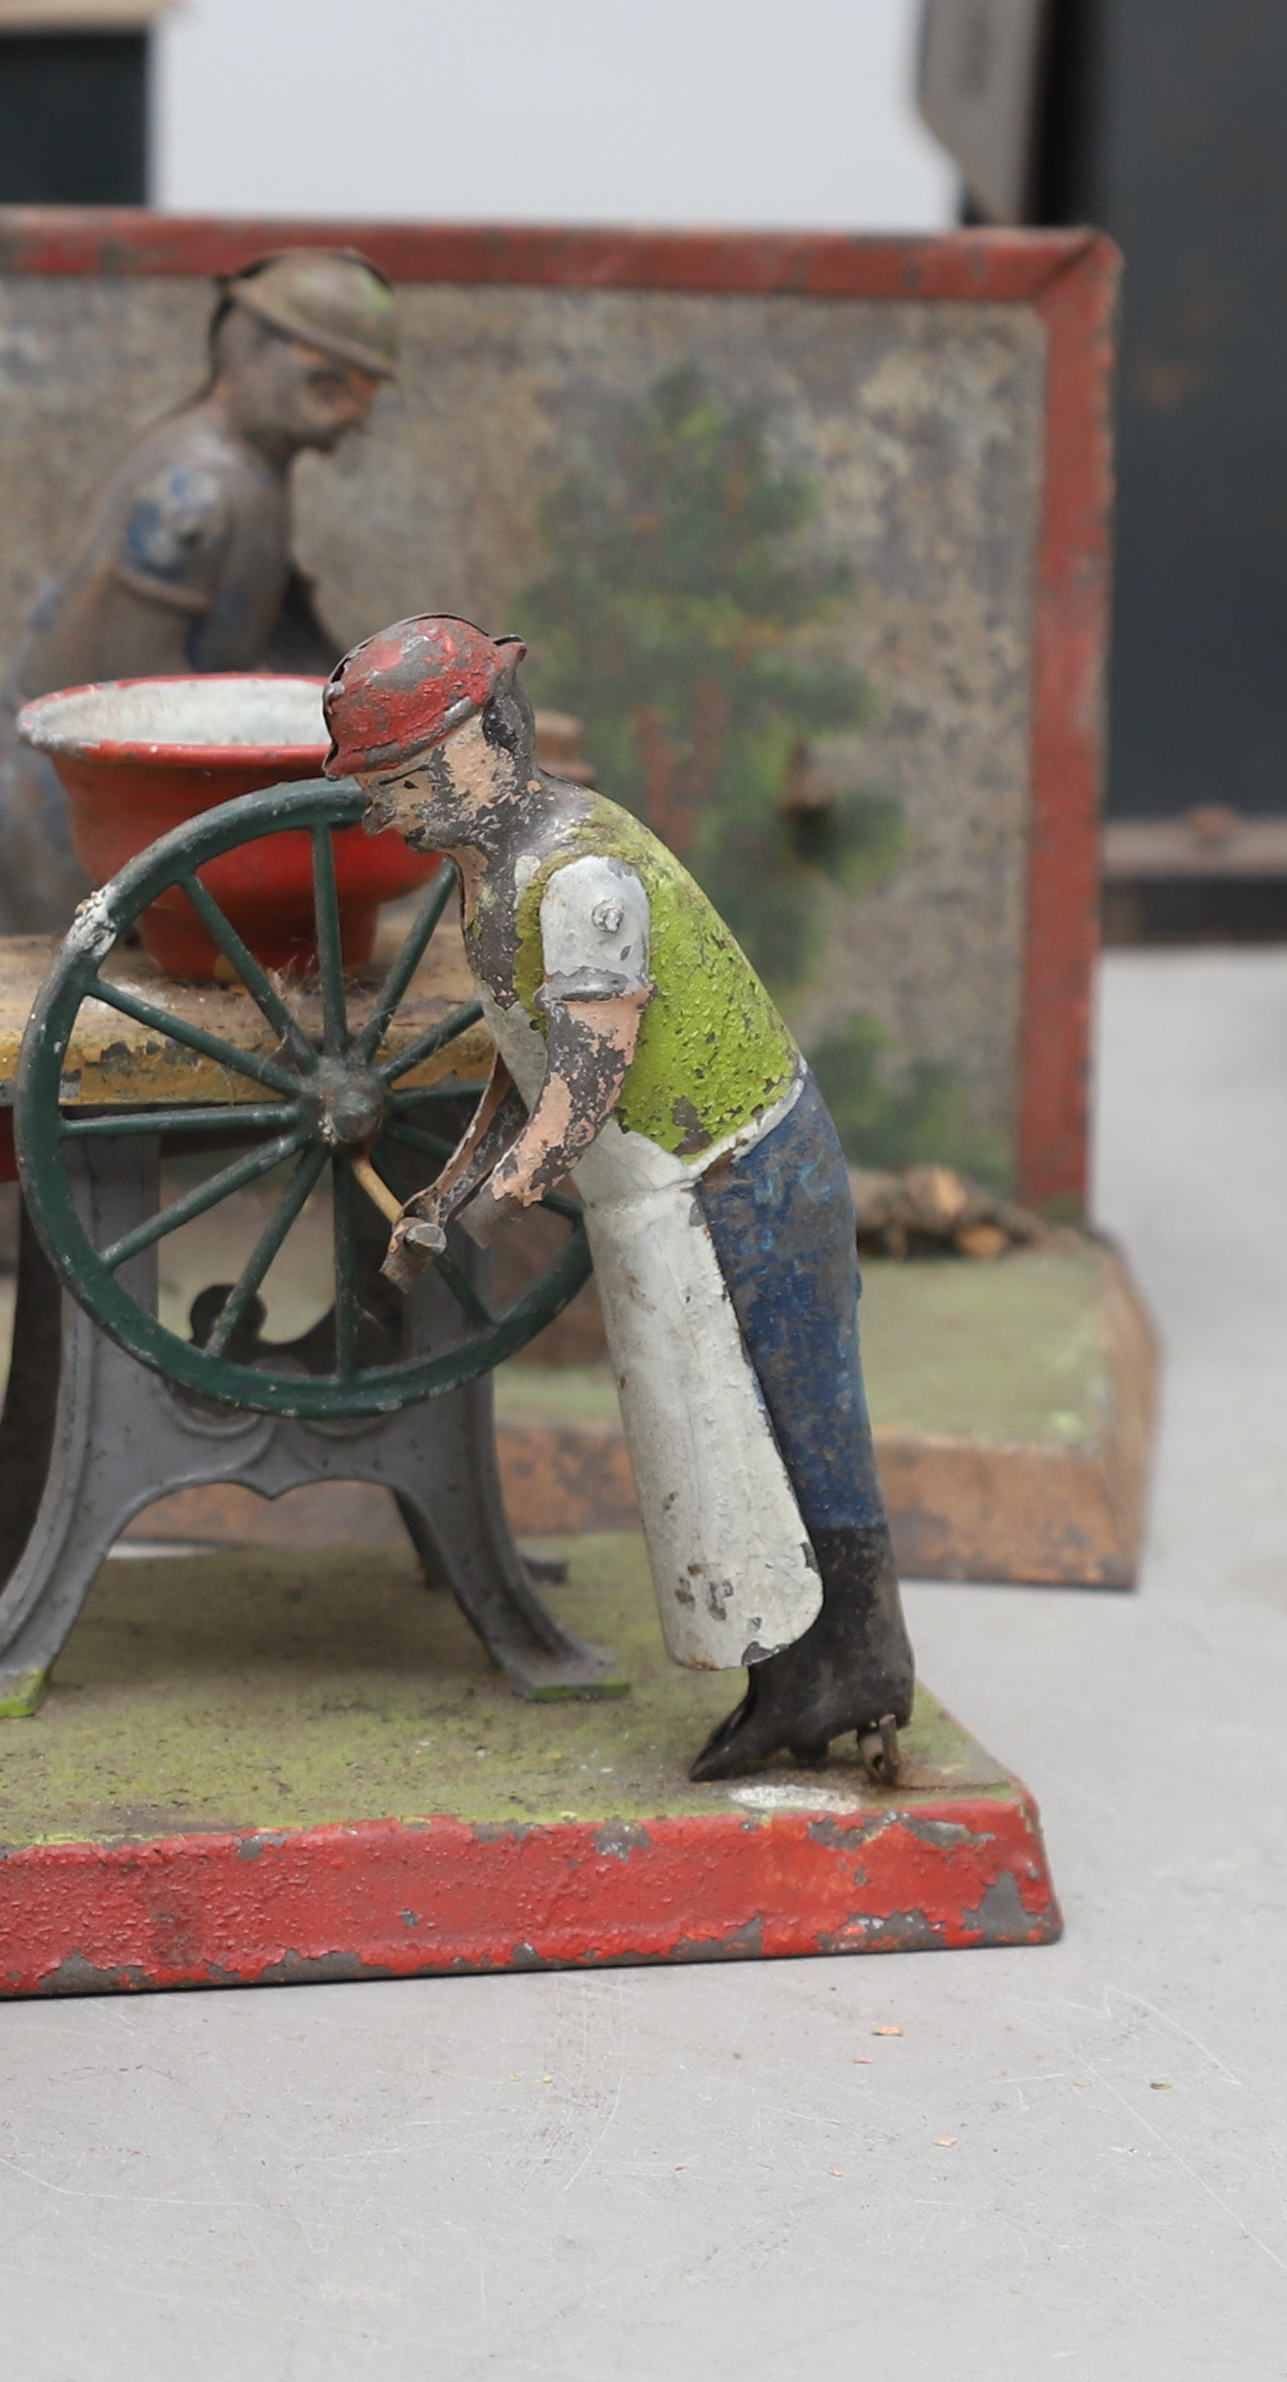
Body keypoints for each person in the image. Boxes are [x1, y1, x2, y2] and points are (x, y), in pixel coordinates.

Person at [325, 613, 914, 1778]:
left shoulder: (578, 878)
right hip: (662, 1188)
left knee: (789, 1428)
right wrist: (453, 1179)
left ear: (470, 748)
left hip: (736, 1175)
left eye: (394, 783)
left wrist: (492, 1203)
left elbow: (585, 1081)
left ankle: (851, 1669)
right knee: (710, 1453)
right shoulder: (496, 869)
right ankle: (793, 1676)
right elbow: (526, 1051)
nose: (379, 814)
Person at [0, 250, 400, 930]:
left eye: (363, 392)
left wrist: (389, 718)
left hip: (117, 802)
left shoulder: (253, 478)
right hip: (76, 812)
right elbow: (148, 697)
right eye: (330, 386)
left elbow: (290, 633)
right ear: (251, 352)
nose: (352, 417)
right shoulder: (198, 492)